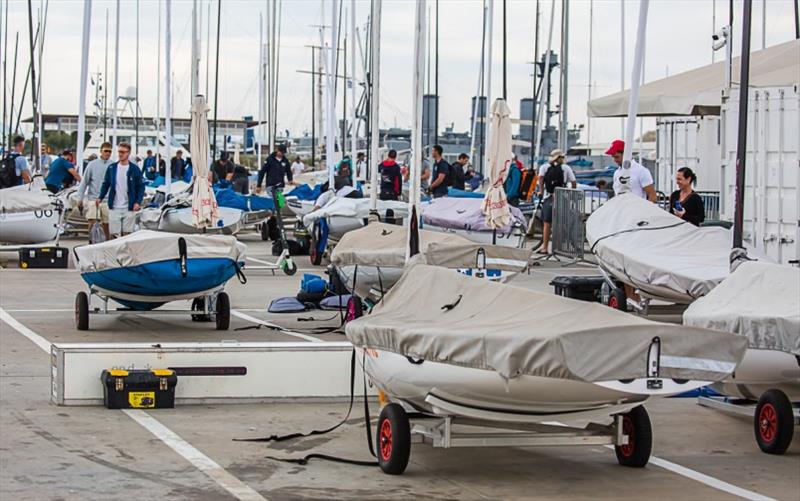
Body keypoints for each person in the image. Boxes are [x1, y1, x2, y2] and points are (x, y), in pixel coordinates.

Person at [97, 142, 144, 238]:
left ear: (128, 153)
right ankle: (113, 252)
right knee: (114, 234)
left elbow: (141, 186)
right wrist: (100, 197)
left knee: (127, 234)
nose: (120, 154)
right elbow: (106, 184)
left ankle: (126, 253)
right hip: (114, 206)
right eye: (119, 152)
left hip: (129, 207)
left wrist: (138, 202)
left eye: (123, 152)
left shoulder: (134, 169)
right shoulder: (112, 168)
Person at [536, 149, 576, 254]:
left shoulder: (544, 167)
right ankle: (559, 248)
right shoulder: (566, 168)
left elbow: (540, 179)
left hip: (548, 197)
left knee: (547, 224)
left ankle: (545, 247)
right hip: (562, 197)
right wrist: (571, 193)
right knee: (561, 223)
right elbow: (573, 182)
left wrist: (540, 191)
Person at [77, 141, 113, 240]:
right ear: (101, 151)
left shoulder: (113, 165)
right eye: (106, 151)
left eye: (110, 151)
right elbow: (84, 182)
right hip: (93, 198)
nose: (108, 153)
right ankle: (91, 240)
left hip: (107, 199)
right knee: (92, 221)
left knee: (107, 223)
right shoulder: (92, 165)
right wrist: (79, 198)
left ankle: (107, 241)